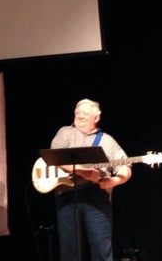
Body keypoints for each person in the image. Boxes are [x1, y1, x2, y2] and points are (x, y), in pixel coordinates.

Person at [50, 98, 131, 261]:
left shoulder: (107, 140)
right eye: (77, 113)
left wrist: (114, 181)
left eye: (85, 113)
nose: (80, 116)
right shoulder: (65, 132)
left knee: (101, 250)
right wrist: (84, 172)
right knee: (69, 253)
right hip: (66, 196)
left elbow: (125, 166)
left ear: (96, 117)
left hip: (95, 197)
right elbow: (55, 157)